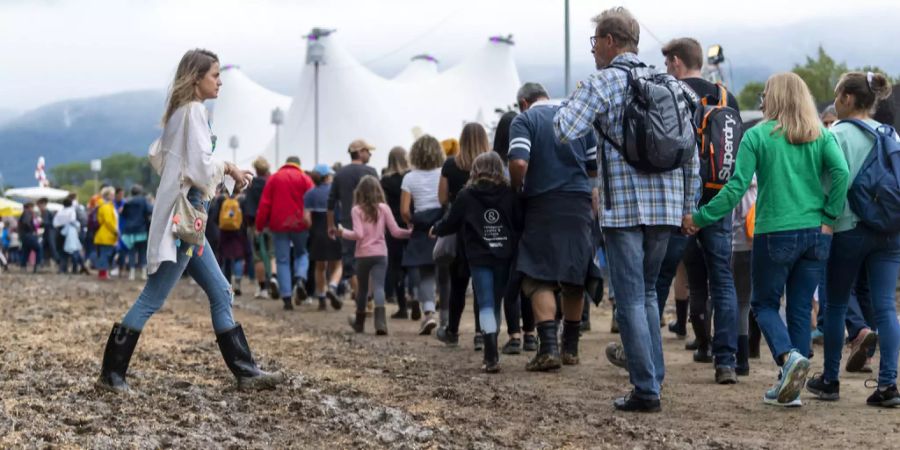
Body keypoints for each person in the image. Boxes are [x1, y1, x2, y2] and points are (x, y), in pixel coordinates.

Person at [96, 48, 283, 394]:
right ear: (196, 78)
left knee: (222, 291)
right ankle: (111, 374)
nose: (220, 81)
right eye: (215, 74)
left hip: (188, 219)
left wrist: (220, 170)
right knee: (152, 298)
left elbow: (161, 156)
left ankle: (246, 371)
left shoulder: (180, 113)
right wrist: (227, 167)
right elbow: (198, 169)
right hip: (187, 222)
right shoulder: (194, 112)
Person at [554, 7, 700, 412]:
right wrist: (689, 206)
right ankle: (654, 377)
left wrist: (582, 92)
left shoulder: (602, 83)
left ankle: (646, 390)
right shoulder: (669, 84)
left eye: (594, 44)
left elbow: (564, 129)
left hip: (624, 209)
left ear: (609, 42)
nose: (593, 52)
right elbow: (689, 154)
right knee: (651, 294)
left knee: (632, 299)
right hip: (667, 208)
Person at [683, 72, 850, 407]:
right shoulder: (821, 134)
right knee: (801, 308)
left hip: (775, 231)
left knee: (763, 304)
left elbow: (735, 188)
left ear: (772, 99)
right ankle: (792, 390)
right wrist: (830, 217)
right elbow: (842, 173)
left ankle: (788, 359)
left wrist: (700, 217)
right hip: (816, 232)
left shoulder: (757, 135)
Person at [806, 72, 900, 407]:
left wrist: (825, 222)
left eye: (836, 95)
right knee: (886, 306)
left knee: (835, 304)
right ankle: (888, 385)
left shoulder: (837, 134)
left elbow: (826, 185)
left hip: (847, 228)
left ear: (847, 98)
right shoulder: (890, 134)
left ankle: (830, 380)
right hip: (889, 232)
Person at [659, 37, 742, 383]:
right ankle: (726, 361)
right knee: (722, 278)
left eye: (667, 63)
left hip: (682, 202)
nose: (666, 69)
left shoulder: (671, 95)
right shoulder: (725, 97)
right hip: (720, 200)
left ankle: (688, 346)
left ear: (677, 62)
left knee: (676, 276)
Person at [510, 79, 599, 375]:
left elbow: (519, 163)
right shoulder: (576, 117)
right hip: (578, 204)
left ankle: (548, 348)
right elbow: (593, 168)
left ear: (524, 102)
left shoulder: (525, 119)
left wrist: (517, 188)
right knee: (574, 275)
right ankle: (570, 348)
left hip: (542, 203)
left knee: (538, 274)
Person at [433, 152, 520, 372]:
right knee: (496, 302)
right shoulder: (510, 193)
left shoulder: (466, 195)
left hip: (478, 257)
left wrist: (436, 229)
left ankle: (491, 355)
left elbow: (452, 222)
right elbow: (518, 223)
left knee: (486, 303)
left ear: (475, 169)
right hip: (503, 256)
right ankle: (493, 346)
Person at [436, 122, 491, 348]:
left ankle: (452, 331)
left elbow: (441, 199)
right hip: (486, 229)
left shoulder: (451, 164)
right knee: (482, 285)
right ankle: (481, 333)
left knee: (458, 284)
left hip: (459, 230)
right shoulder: (490, 164)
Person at [338, 175, 412, 334]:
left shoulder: (356, 210)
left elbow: (358, 234)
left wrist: (342, 232)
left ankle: (359, 323)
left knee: (363, 289)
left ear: (360, 192)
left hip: (363, 255)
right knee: (379, 287)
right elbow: (396, 232)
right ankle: (381, 324)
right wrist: (411, 233)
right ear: (378, 191)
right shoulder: (384, 208)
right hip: (380, 254)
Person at [255, 155, 315, 310]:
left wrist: (259, 226)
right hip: (300, 224)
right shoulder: (305, 179)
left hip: (278, 224)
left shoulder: (274, 178)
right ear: (298, 165)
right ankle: (300, 279)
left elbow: (265, 204)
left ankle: (287, 297)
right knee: (302, 254)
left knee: (282, 260)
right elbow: (312, 202)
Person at [400, 135, 446, 335]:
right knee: (445, 273)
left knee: (426, 272)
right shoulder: (444, 172)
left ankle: (429, 313)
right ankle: (447, 318)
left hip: (420, 225)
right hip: (442, 222)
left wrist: (412, 221)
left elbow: (404, 210)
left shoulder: (409, 177)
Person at [327, 139, 380, 303]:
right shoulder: (371, 172)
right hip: (370, 222)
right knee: (369, 260)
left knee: (350, 263)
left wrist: (330, 225)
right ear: (360, 152)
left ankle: (361, 299)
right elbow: (380, 199)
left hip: (347, 223)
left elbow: (330, 202)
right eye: (368, 151)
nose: (370, 154)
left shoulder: (340, 174)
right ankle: (367, 298)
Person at [381, 147, 414, 319]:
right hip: (410, 223)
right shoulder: (410, 177)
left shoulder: (384, 181)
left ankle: (402, 306)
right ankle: (415, 296)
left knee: (395, 265)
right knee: (414, 263)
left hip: (392, 226)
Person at [305, 163, 344, 310]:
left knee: (319, 266)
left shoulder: (310, 194)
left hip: (317, 233)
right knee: (338, 264)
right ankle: (333, 287)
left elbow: (306, 219)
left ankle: (321, 297)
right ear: (327, 176)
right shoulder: (335, 192)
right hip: (334, 230)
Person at [243, 157, 277, 299]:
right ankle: (274, 277)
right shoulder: (271, 183)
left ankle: (263, 288)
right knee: (272, 254)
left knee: (258, 258)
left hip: (255, 225)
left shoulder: (251, 186)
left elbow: (247, 207)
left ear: (255, 169)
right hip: (271, 225)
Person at [120, 185, 153, 281]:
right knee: (142, 252)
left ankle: (132, 273)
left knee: (131, 252)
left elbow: (123, 214)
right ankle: (143, 273)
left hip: (129, 231)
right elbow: (150, 210)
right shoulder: (143, 200)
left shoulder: (127, 201)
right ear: (140, 192)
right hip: (141, 230)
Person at [218, 190, 247, 296]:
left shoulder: (221, 199)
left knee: (225, 257)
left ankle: (226, 283)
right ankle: (238, 283)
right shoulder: (242, 200)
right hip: (239, 231)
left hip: (224, 231)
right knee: (238, 256)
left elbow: (216, 216)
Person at [54, 196, 87, 275]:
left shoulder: (60, 212)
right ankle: (74, 269)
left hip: (60, 232)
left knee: (62, 252)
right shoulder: (72, 211)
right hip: (70, 233)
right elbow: (72, 221)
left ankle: (63, 268)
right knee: (73, 251)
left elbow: (54, 223)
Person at [93, 187, 119, 281]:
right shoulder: (106, 206)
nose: (113, 196)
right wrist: (115, 231)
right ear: (107, 195)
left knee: (104, 254)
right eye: (112, 194)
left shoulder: (105, 205)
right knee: (105, 254)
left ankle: (102, 273)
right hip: (107, 235)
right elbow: (108, 221)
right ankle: (103, 273)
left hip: (104, 234)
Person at [17, 202, 42, 272]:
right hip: (28, 235)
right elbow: (26, 222)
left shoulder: (23, 214)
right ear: (29, 207)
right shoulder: (27, 213)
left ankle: (23, 267)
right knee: (38, 248)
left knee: (26, 251)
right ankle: (37, 266)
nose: (33, 209)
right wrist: (32, 229)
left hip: (23, 236)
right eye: (32, 207)